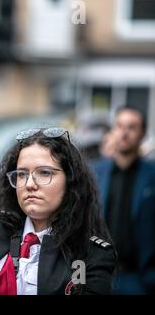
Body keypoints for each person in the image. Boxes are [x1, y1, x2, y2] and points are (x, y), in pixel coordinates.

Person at [0, 127, 116, 295]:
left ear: (70, 180)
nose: (29, 184)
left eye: (44, 173)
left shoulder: (92, 254)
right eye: (22, 174)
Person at [92, 106, 155, 294]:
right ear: (113, 131)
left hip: (140, 278)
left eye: (132, 127)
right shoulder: (95, 172)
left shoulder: (152, 175)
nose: (124, 133)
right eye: (120, 126)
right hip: (99, 274)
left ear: (142, 133)